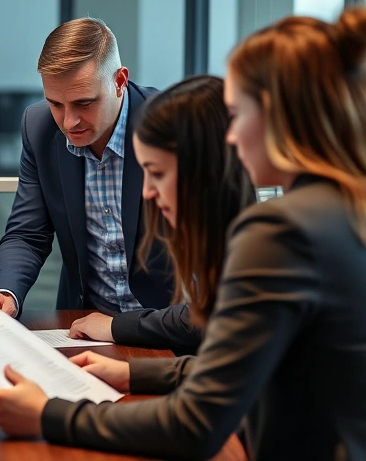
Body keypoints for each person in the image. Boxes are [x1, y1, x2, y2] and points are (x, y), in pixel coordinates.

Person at [0, 9, 366, 459]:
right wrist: (134, 375)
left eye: (236, 114)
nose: (230, 137)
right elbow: (239, 363)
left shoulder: (281, 229)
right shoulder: (340, 209)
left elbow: (196, 422)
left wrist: (49, 415)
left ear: (279, 119)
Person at [0, 18, 173, 318]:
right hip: (84, 324)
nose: (69, 122)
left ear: (120, 82)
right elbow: (28, 233)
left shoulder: (171, 125)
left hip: (167, 326)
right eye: (56, 104)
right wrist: (5, 290)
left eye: (84, 103)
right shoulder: (40, 128)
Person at [67, 76, 255, 356]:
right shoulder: (229, 235)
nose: (147, 193)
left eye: (157, 173)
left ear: (202, 168)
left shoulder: (264, 244)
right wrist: (133, 374)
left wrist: (118, 328)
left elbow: (210, 336)